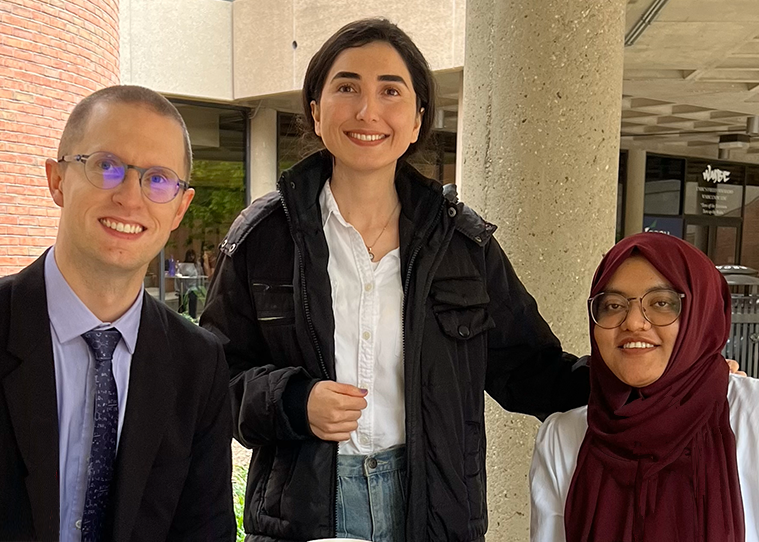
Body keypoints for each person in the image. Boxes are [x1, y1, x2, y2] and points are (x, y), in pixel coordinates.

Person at [201, 18, 590, 542]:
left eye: (390, 90)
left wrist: (666, 376)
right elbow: (213, 382)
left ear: (416, 120)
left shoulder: (462, 245)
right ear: (316, 112)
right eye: (346, 87)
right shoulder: (264, 239)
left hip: (431, 505)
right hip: (307, 508)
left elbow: (533, 370)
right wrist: (294, 400)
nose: (367, 111)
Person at [0, 85, 235, 541]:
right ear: (57, 180)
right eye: (106, 166)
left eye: (159, 179)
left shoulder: (198, 364)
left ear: (180, 209)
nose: (131, 196)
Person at [529, 232, 759, 542]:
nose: (633, 322)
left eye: (662, 303)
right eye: (612, 305)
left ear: (701, 315)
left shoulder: (752, 418)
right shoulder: (564, 437)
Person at [177, 248, 203, 319]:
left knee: (192, 308)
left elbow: (199, 275)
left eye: (192, 255)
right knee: (182, 308)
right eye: (189, 255)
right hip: (183, 288)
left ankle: (192, 320)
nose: (191, 257)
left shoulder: (197, 265)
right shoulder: (182, 265)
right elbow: (178, 275)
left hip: (193, 288)